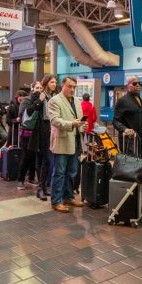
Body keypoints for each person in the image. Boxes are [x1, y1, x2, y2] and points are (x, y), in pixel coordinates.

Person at [47, 76, 87, 212]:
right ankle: (56, 201)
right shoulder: (54, 101)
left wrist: (82, 125)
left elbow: (79, 120)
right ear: (62, 86)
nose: (72, 89)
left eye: (74, 87)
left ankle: (68, 197)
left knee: (72, 172)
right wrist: (72, 124)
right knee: (59, 173)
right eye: (69, 86)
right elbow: (55, 120)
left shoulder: (77, 101)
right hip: (62, 141)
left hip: (75, 141)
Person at [24, 76, 57, 200]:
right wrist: (40, 100)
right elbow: (29, 110)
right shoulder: (39, 95)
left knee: (45, 160)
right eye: (52, 82)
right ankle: (41, 188)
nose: (54, 84)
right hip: (41, 130)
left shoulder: (54, 97)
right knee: (46, 159)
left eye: (55, 82)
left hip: (51, 129)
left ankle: (42, 188)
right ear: (46, 83)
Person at [113, 76, 142, 160]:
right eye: (134, 83)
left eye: (139, 83)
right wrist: (125, 129)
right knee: (132, 168)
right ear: (128, 86)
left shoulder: (141, 100)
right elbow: (115, 121)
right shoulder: (122, 101)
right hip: (130, 141)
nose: (138, 85)